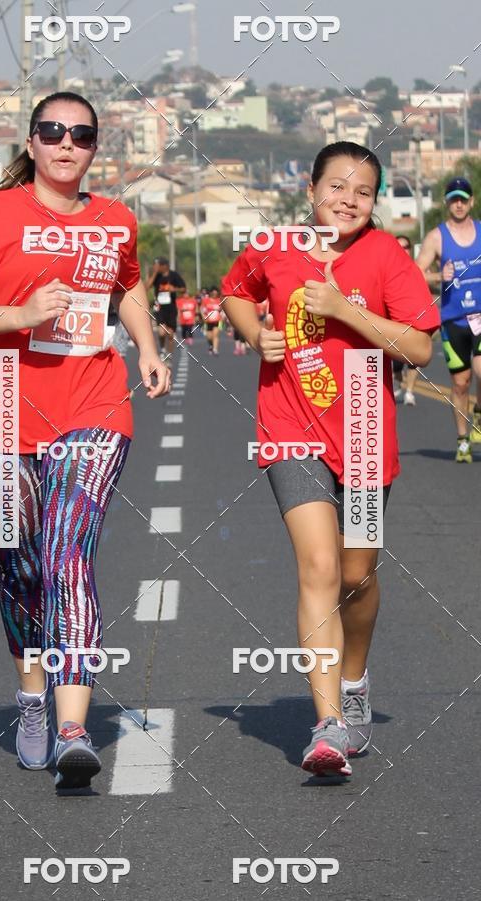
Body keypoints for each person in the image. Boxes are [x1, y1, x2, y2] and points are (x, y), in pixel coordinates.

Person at [0, 91, 170, 790]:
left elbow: (127, 288)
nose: (67, 143)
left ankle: (72, 728)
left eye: (82, 134)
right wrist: (21, 313)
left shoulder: (115, 220)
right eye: (53, 131)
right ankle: (31, 696)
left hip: (94, 405)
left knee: (69, 558)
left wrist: (148, 347)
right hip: (0, 410)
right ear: (32, 142)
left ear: (96, 146)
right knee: (21, 569)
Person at [221, 141, 439, 778]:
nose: (348, 200)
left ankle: (355, 677)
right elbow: (235, 291)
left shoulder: (386, 255)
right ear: (311, 189)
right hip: (290, 425)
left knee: (355, 577)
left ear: (374, 203)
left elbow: (420, 348)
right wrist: (253, 332)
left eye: (363, 192)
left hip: (365, 431)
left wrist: (345, 308)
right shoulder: (275, 246)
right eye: (336, 186)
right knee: (318, 566)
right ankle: (327, 725)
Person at [417, 177, 481, 462]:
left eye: (463, 199)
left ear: (471, 202)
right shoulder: (436, 237)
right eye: (454, 199)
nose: (459, 204)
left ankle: (479, 413)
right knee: (460, 384)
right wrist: (437, 276)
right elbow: (416, 272)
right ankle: (463, 439)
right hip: (453, 320)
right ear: (447, 203)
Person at [392, 235, 419, 405]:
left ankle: (409, 392)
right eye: (399, 247)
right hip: (394, 323)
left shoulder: (418, 268)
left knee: (413, 360)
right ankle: (399, 383)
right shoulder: (387, 270)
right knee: (396, 365)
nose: (403, 250)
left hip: (414, 320)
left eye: (406, 247)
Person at [146, 257, 186, 361]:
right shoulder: (156, 276)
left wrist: (174, 289)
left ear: (164, 266)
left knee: (170, 334)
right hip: (159, 307)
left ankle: (169, 354)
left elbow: (183, 289)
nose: (155, 267)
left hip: (171, 308)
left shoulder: (174, 275)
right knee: (161, 332)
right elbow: (147, 287)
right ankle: (163, 349)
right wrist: (154, 273)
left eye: (157, 266)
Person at [200, 287, 223, 355]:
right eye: (213, 293)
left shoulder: (219, 300)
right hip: (208, 321)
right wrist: (203, 317)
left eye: (216, 293)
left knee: (215, 335)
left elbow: (222, 310)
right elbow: (202, 309)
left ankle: (215, 349)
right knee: (209, 337)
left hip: (217, 321)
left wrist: (223, 317)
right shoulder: (205, 300)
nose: (214, 295)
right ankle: (211, 345)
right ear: (210, 293)